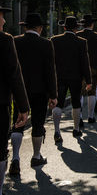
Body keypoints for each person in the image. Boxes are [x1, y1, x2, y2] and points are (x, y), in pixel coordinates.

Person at [8, 14, 57, 175]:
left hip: (19, 90)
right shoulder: (46, 44)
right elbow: (50, 70)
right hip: (40, 90)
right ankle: (36, 156)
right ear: (40, 28)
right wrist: (53, 94)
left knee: (17, 121)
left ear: (25, 27)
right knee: (37, 123)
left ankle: (15, 158)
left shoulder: (15, 41)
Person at [0, 5, 29, 195]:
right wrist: (23, 107)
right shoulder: (5, 40)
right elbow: (14, 75)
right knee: (0, 149)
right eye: (1, 17)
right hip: (0, 103)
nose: (3, 21)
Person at [51, 16, 92, 141]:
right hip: (76, 77)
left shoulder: (54, 40)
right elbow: (85, 62)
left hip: (59, 77)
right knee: (76, 102)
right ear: (76, 28)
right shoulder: (81, 42)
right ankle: (76, 129)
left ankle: (57, 131)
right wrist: (89, 81)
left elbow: (51, 61)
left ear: (64, 27)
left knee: (59, 103)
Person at [77, 15, 97, 123]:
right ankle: (90, 116)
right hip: (94, 67)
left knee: (79, 92)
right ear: (92, 24)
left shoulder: (77, 35)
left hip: (79, 68)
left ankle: (79, 116)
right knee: (92, 92)